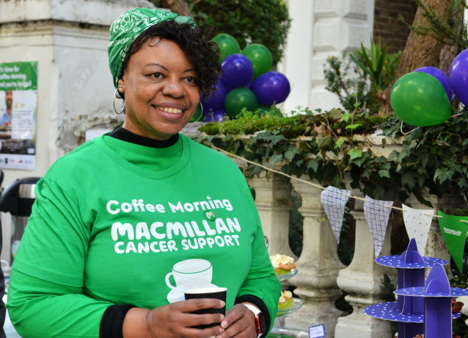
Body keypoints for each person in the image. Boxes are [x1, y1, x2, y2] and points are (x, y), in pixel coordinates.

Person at [6, 8, 279, 338]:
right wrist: (145, 325)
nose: (176, 90)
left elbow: (261, 276)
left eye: (190, 78)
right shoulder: (76, 176)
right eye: (156, 75)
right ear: (122, 79)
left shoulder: (224, 171)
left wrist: (253, 314)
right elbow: (33, 305)